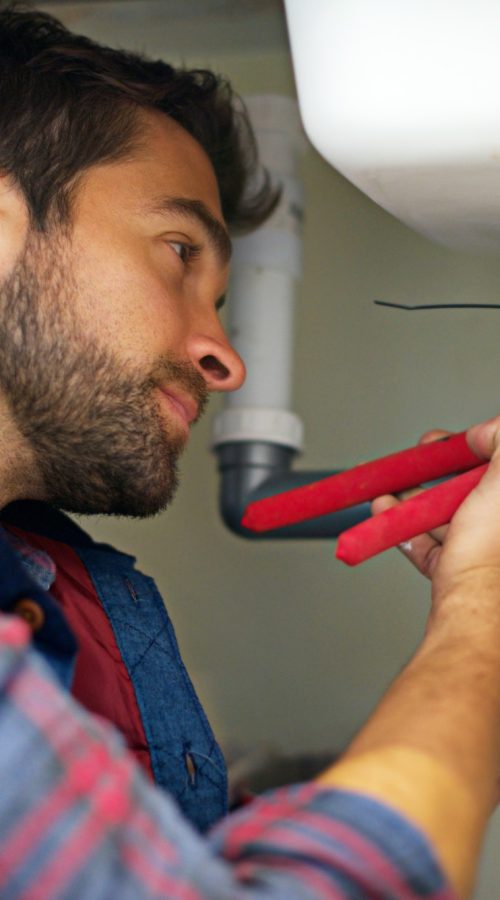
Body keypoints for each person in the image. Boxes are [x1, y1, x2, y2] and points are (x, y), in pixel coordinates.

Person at [0, 5, 497, 898]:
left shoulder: (58, 589)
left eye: (222, 298)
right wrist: (483, 625)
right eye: (179, 253)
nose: (224, 359)